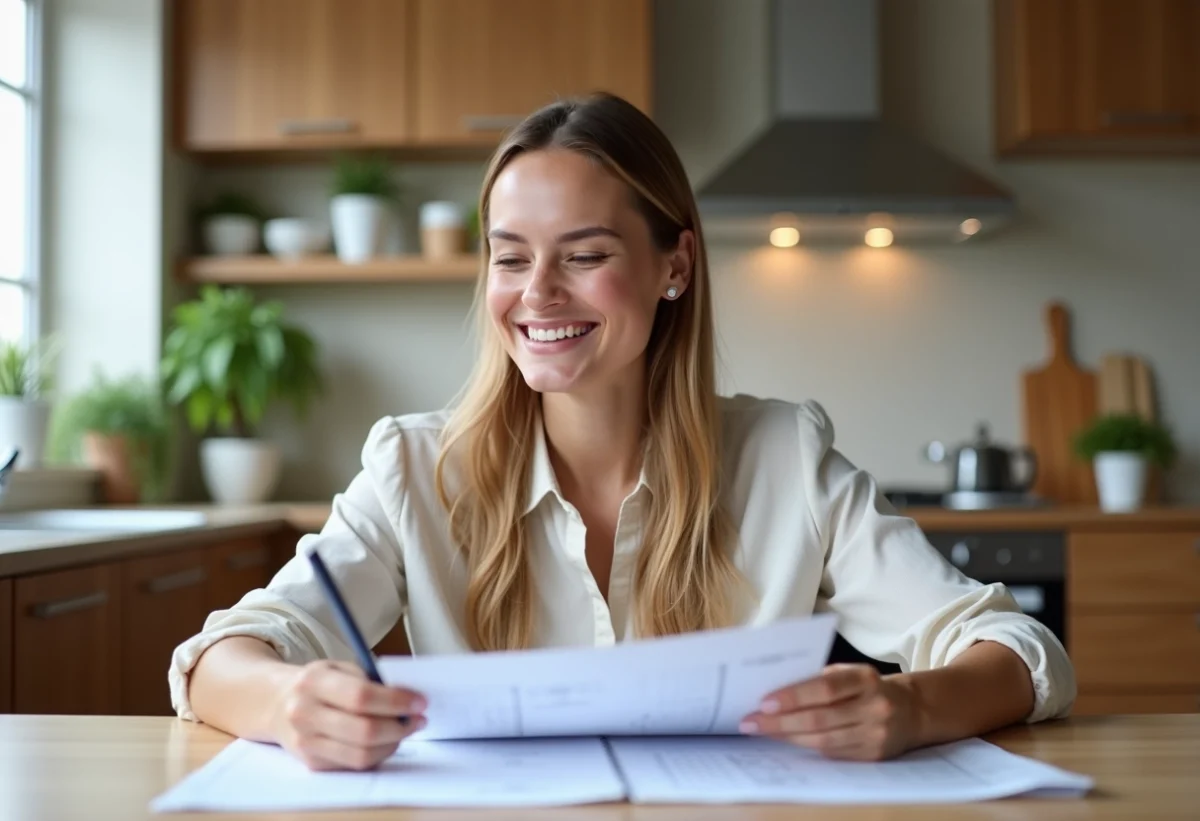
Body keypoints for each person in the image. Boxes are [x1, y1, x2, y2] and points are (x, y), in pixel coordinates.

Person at [170, 92, 1075, 772]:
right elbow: (219, 657)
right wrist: (291, 700)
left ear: (673, 265)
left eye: (587, 255)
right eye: (510, 256)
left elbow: (1021, 650)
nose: (537, 294)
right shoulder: (413, 467)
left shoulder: (785, 459)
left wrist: (911, 706)